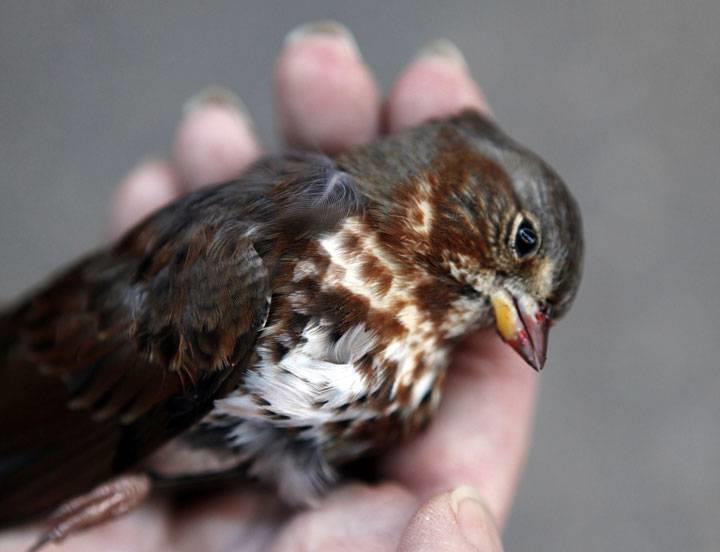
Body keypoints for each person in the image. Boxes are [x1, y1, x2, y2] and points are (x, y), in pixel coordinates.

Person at [5, 21, 538, 552]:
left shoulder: (420, 397)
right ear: (463, 182)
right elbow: (71, 399)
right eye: (523, 241)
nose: (529, 322)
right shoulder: (275, 251)